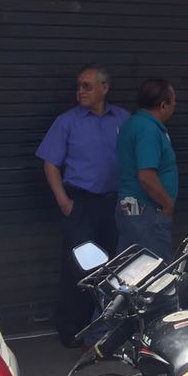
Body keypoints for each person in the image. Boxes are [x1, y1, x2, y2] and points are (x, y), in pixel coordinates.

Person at [36, 64, 129, 347]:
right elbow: (50, 163)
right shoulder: (68, 121)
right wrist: (65, 202)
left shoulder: (123, 119)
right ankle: (71, 330)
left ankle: (107, 328)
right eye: (78, 86)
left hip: (113, 203)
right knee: (79, 267)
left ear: (105, 88)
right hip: (81, 203)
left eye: (87, 86)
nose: (80, 92)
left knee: (114, 266)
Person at [116, 79, 179, 260]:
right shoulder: (148, 130)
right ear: (163, 105)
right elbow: (146, 176)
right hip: (146, 211)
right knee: (153, 273)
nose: (175, 104)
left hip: (131, 208)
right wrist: (167, 204)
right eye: (173, 100)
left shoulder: (132, 123)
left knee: (130, 269)